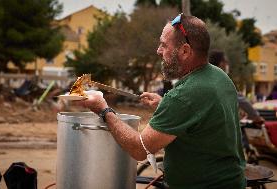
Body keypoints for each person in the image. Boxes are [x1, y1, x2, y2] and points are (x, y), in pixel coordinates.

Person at [80, 13, 246, 189]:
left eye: (164, 45)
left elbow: (139, 149)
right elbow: (204, 119)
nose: (158, 51)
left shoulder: (183, 96)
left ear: (185, 51)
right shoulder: (219, 76)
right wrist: (163, 104)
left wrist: (104, 111)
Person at [209, 50, 265, 124]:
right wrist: (256, 117)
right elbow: (240, 99)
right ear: (221, 63)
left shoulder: (204, 77)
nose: (227, 64)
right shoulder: (221, 80)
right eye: (226, 62)